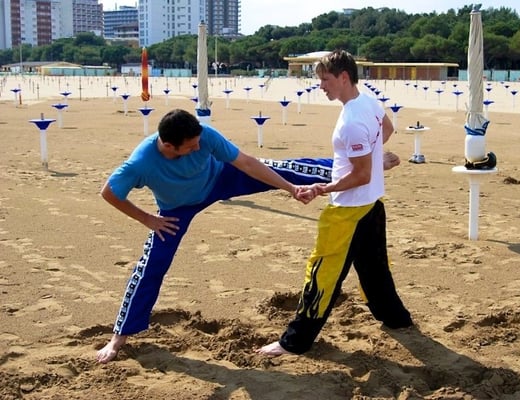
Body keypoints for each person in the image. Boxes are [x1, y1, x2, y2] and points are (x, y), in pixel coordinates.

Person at [96, 108, 333, 364]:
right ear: (168, 145)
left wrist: (291, 189)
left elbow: (247, 163)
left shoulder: (204, 135)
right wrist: (147, 219)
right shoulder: (141, 163)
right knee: (152, 266)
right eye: (191, 147)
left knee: (283, 168)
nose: (198, 148)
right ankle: (119, 337)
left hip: (222, 177)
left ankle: (346, 169)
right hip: (177, 209)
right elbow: (109, 192)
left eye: (198, 142)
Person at [257, 50, 413, 356]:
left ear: (344, 77)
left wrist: (324, 188)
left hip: (347, 212)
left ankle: (294, 343)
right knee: (375, 271)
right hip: (371, 205)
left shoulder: (351, 121)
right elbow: (387, 130)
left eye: (325, 79)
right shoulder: (369, 102)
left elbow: (361, 175)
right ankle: (397, 321)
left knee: (321, 275)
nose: (321, 86)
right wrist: (373, 157)